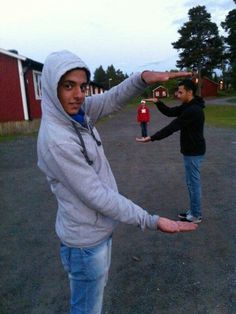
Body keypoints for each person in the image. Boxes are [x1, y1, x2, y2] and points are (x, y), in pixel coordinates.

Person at [37, 50, 197, 314]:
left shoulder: (79, 113)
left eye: (82, 86)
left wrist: (142, 78)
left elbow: (112, 98)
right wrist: (151, 220)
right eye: (68, 86)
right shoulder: (57, 140)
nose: (78, 94)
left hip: (97, 234)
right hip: (85, 245)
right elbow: (97, 195)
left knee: (91, 305)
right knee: (87, 310)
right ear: (52, 87)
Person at [136, 79, 205, 224]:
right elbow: (170, 112)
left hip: (194, 151)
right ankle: (193, 211)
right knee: (190, 183)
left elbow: (172, 126)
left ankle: (196, 215)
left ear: (190, 92)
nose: (178, 94)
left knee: (193, 184)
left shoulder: (193, 110)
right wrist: (157, 102)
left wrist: (152, 138)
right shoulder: (188, 106)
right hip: (190, 150)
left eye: (181, 92)